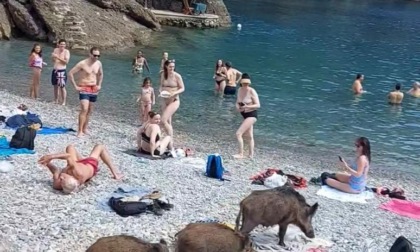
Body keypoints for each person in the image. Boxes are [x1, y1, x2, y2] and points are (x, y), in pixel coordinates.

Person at [38, 144, 122, 194]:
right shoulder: (77, 172)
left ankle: (79, 161)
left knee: (70, 147)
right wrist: (51, 157)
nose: (61, 177)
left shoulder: (57, 184)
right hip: (90, 164)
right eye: (63, 178)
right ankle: (115, 172)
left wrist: (47, 163)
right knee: (99, 146)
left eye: (61, 179)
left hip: (78, 165)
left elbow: (56, 171)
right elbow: (68, 156)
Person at [68, 47, 103, 138]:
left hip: (94, 88)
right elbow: (70, 73)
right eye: (95, 55)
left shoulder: (98, 63)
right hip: (84, 87)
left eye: (98, 56)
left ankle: (85, 128)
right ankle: (79, 130)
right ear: (90, 54)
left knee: (90, 110)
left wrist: (99, 84)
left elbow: (100, 74)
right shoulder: (82, 63)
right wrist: (75, 86)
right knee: (84, 108)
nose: (96, 57)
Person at [233, 73, 260, 159]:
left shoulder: (252, 91)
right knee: (250, 136)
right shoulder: (240, 90)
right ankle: (251, 155)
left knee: (238, 133)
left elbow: (258, 105)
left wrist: (247, 106)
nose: (245, 85)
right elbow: (237, 102)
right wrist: (238, 108)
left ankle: (241, 154)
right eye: (244, 83)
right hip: (244, 115)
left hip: (251, 115)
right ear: (241, 82)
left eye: (247, 83)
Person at [159, 59, 185, 145]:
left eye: (173, 67)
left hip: (174, 100)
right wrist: (160, 92)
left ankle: (170, 140)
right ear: (166, 66)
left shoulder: (177, 76)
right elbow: (161, 86)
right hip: (164, 99)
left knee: (163, 120)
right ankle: (170, 144)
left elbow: (182, 88)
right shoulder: (163, 74)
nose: (172, 68)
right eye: (170, 67)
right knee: (168, 122)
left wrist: (174, 92)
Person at [51, 39, 71, 105]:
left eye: (63, 44)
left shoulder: (66, 52)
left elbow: (66, 62)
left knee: (62, 86)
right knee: (55, 86)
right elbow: (53, 60)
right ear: (58, 44)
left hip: (62, 71)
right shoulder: (55, 50)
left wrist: (58, 57)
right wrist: (53, 57)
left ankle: (64, 101)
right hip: (55, 70)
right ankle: (56, 100)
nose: (62, 45)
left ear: (65, 45)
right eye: (61, 44)